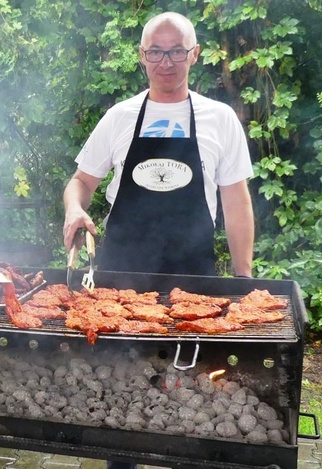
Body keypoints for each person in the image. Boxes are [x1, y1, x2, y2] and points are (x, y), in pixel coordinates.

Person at [62, 12, 254, 469]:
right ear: (142, 56)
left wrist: (243, 277)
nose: (166, 61)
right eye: (155, 51)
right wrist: (74, 208)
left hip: (192, 278)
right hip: (120, 278)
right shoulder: (120, 116)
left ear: (194, 54)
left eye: (176, 51)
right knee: (119, 390)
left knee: (189, 394)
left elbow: (237, 202)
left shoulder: (219, 118)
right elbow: (81, 181)